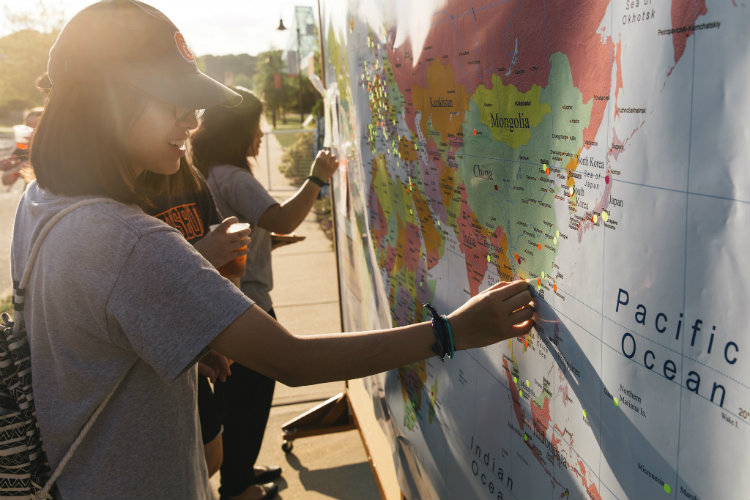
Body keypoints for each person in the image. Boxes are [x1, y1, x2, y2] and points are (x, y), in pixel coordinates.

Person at [12, 1, 534, 499]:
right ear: (107, 102)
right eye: (173, 103)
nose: (192, 122)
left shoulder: (44, 202)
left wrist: (185, 336)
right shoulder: (129, 242)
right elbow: (294, 361)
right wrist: (452, 331)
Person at [190, 87, 336, 500]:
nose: (260, 136)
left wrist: (264, 243)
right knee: (252, 398)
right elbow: (283, 218)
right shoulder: (233, 175)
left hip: (229, 298)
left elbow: (241, 231)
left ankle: (239, 468)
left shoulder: (210, 172)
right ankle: (238, 485)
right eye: (256, 127)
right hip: (248, 303)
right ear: (238, 130)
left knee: (239, 395)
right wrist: (317, 178)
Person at [136, 159, 254, 483]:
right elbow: (129, 288)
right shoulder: (117, 192)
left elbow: (225, 251)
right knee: (183, 465)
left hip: (192, 345)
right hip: (151, 358)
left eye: (197, 112)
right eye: (178, 110)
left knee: (209, 456)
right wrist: (202, 253)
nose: (191, 122)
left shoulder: (186, 174)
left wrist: (221, 329)